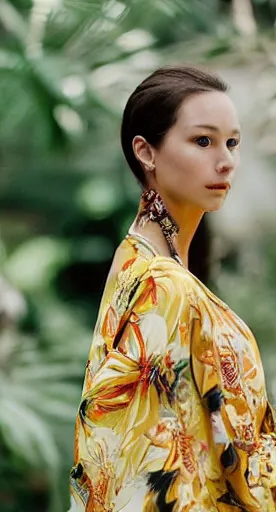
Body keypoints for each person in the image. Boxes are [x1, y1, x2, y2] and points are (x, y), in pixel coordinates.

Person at [69, 65, 276, 511]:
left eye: (232, 142)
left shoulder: (136, 260)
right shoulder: (165, 286)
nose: (225, 161)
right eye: (203, 141)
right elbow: (158, 459)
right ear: (145, 151)